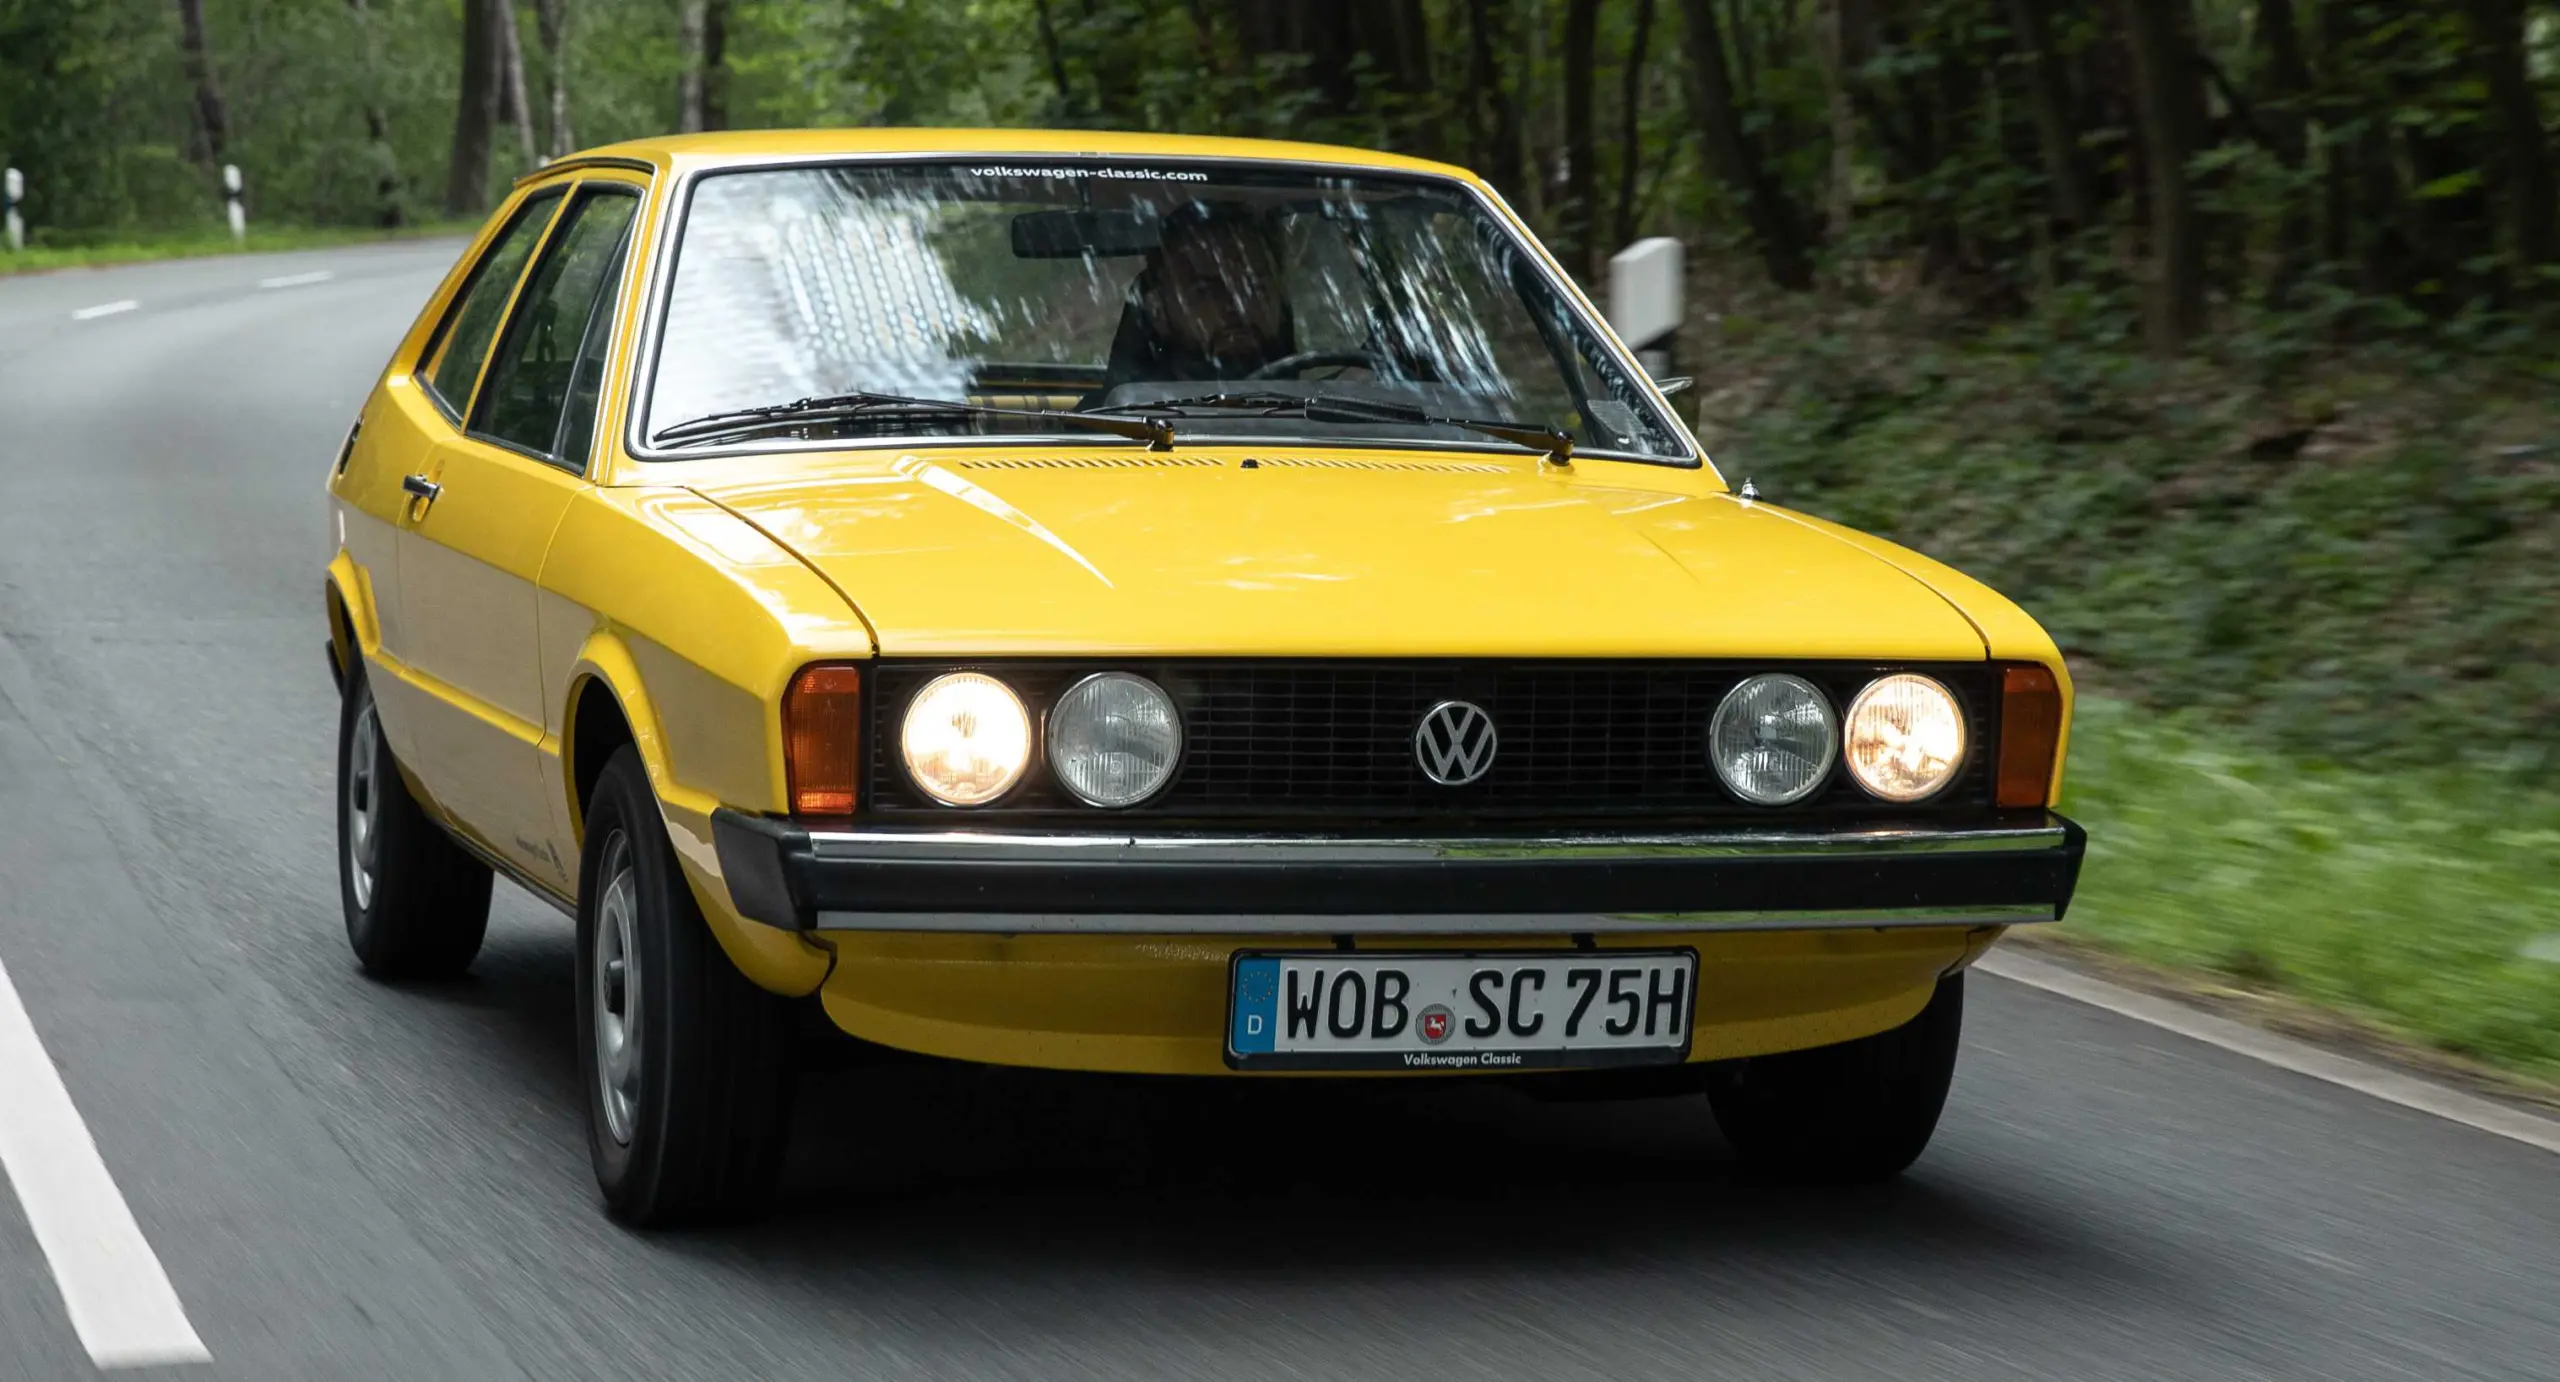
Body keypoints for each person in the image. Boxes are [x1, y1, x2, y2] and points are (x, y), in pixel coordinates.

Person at [1101, 210, 1296, 387]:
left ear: (1281, 304)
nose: (1238, 305)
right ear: (1159, 313)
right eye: (1206, 291)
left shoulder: (1319, 412)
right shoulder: (1112, 420)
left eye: (1254, 286)